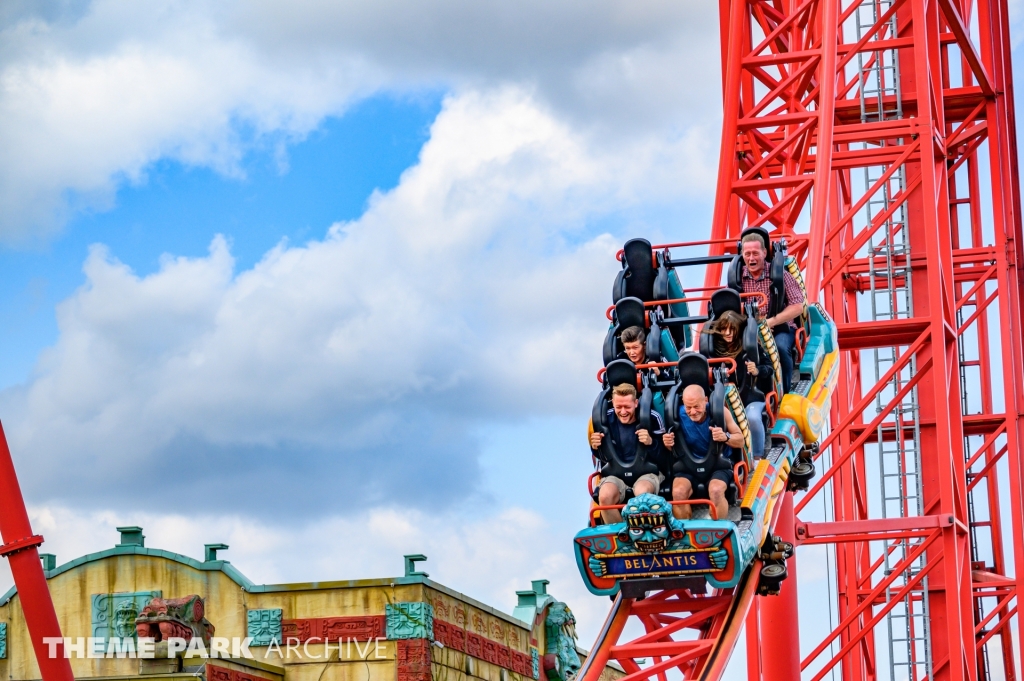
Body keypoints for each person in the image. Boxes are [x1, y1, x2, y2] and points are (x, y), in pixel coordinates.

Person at [662, 385, 743, 521]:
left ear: (705, 400)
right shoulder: (676, 416)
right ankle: (685, 532)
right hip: (688, 466)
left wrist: (725, 437)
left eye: (697, 406)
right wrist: (667, 443)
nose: (693, 412)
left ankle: (718, 529)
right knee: (678, 492)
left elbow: (740, 440)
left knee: (716, 491)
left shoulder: (720, 412)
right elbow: (671, 448)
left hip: (718, 465)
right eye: (688, 407)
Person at [589, 383, 667, 524]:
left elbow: (665, 457)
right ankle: (623, 535)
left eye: (627, 407)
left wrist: (651, 442)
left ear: (636, 403)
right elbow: (602, 458)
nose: (623, 412)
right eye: (618, 407)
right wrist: (596, 447)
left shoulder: (652, 418)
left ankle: (646, 535)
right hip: (616, 474)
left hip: (647, 472)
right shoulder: (604, 420)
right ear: (613, 403)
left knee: (642, 494)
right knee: (605, 496)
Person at [738, 232, 805, 393]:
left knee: (780, 348)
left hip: (780, 328)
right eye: (747, 254)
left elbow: (798, 306)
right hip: (750, 330)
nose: (751, 258)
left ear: (765, 253)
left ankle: (786, 391)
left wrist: (770, 322)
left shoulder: (781, 276)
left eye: (755, 253)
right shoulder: (737, 279)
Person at [705, 310, 773, 459]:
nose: (728, 333)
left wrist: (757, 370)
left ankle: (756, 457)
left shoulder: (749, 347)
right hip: (725, 401)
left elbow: (770, 368)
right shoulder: (714, 351)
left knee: (752, 417)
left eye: (732, 329)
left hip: (750, 397)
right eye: (724, 329)